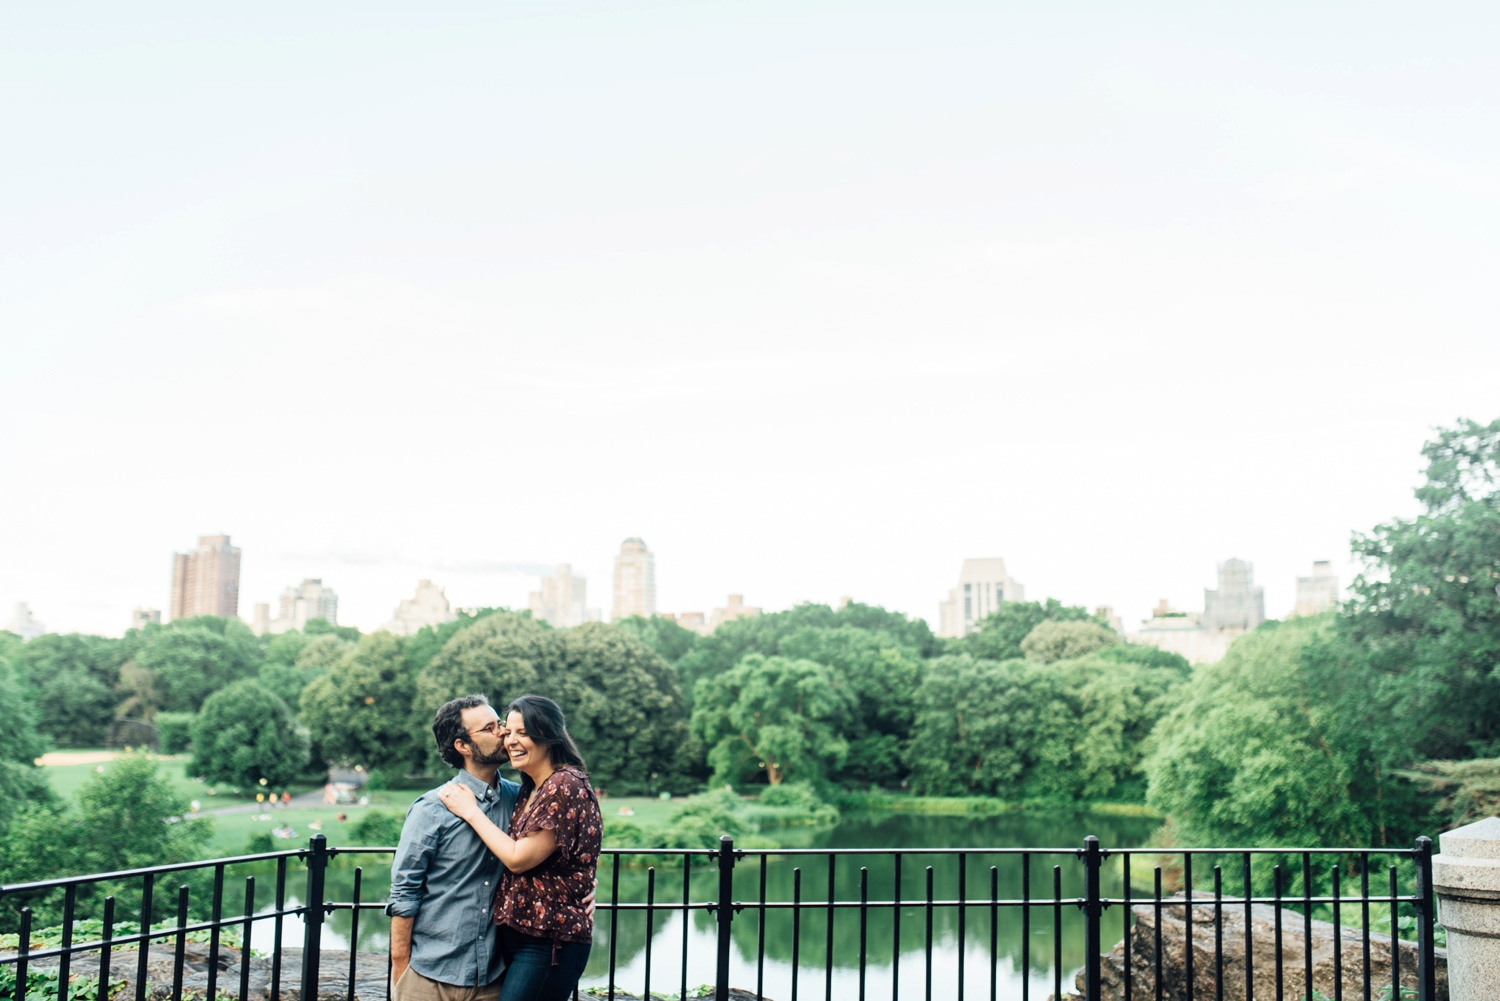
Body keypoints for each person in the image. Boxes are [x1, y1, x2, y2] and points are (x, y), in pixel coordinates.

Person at [436, 695, 603, 1001]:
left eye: (522, 733)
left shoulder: (564, 784)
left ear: (549, 736)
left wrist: (470, 811)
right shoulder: (530, 787)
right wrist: (586, 882)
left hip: (548, 942)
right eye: (507, 731)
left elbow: (518, 859)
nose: (510, 740)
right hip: (519, 938)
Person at [386, 695, 521, 1001]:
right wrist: (401, 970)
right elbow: (404, 892)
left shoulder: (520, 799)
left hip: (495, 979)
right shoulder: (431, 809)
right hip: (429, 978)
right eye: (490, 728)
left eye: (499, 723)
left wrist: (584, 889)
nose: (503, 732)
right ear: (462, 746)